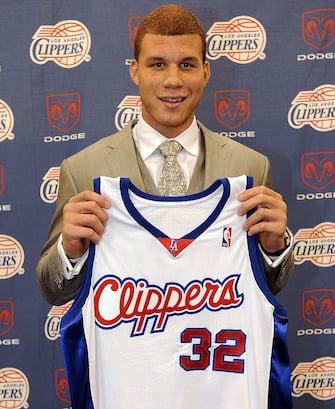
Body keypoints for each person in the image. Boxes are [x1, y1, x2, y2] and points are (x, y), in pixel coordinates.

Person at [37, 4, 293, 407]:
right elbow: (52, 289)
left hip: (216, 386)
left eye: (187, 65)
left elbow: (263, 286)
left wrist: (275, 249)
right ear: (135, 71)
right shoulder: (84, 169)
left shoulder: (249, 167)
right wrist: (69, 252)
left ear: (206, 72)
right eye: (157, 64)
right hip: (131, 387)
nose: (173, 81)